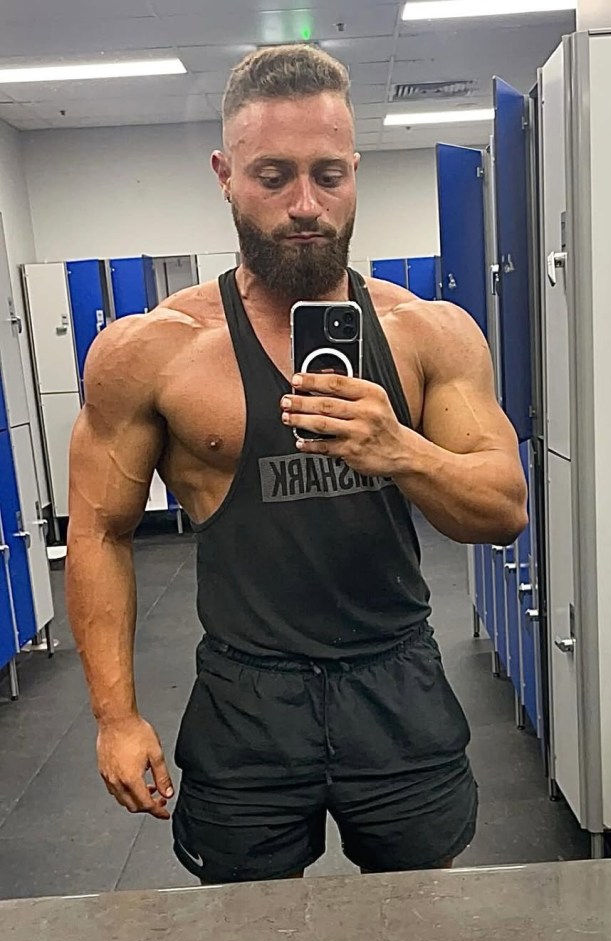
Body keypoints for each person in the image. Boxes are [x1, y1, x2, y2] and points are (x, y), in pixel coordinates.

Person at [66, 44, 528, 885]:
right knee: (243, 923)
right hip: (248, 692)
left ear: (356, 169)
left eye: (327, 174)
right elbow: (98, 531)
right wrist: (115, 716)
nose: (304, 205)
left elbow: (502, 507)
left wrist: (400, 449)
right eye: (273, 176)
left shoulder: (429, 331)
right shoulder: (151, 351)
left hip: (396, 680)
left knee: (420, 918)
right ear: (224, 173)